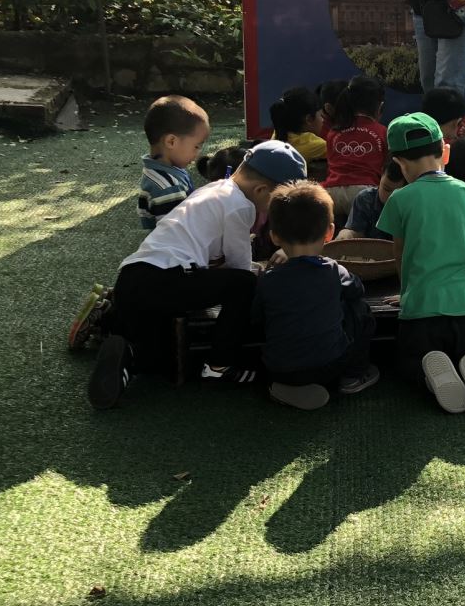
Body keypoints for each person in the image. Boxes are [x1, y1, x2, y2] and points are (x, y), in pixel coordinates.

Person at [89, 141, 307, 409]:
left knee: (154, 359)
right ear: (261, 190)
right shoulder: (240, 206)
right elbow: (240, 268)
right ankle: (219, 366)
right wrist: (268, 273)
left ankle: (123, 346)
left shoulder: (212, 190)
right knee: (243, 284)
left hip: (133, 278)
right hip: (167, 279)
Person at [375, 113, 465, 414]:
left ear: (400, 163)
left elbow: (399, 255)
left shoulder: (400, 198)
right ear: (444, 152)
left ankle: (428, 374)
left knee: (410, 361)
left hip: (423, 307)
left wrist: (407, 293)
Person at [252, 181, 377, 410]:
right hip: (330, 366)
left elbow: (257, 318)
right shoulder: (334, 271)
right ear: (330, 232)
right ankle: (354, 375)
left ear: (275, 237)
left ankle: (282, 385)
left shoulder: (268, 279)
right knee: (360, 309)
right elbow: (357, 290)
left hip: (279, 367)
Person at [138, 95, 209, 230]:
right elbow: (176, 234)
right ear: (171, 142)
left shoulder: (162, 169)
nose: (198, 153)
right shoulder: (169, 189)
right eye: (196, 146)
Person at [323, 75, 387, 220]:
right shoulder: (382, 132)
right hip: (365, 192)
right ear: (380, 106)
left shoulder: (334, 132)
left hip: (331, 193)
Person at [338, 158, 405, 242]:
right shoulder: (365, 199)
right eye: (386, 189)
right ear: (381, 176)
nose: (390, 197)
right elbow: (356, 233)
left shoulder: (411, 205)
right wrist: (347, 235)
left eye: (398, 193)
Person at [269, 86, 327, 164]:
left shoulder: (278, 131)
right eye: (321, 116)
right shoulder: (318, 145)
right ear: (309, 119)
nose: (323, 120)